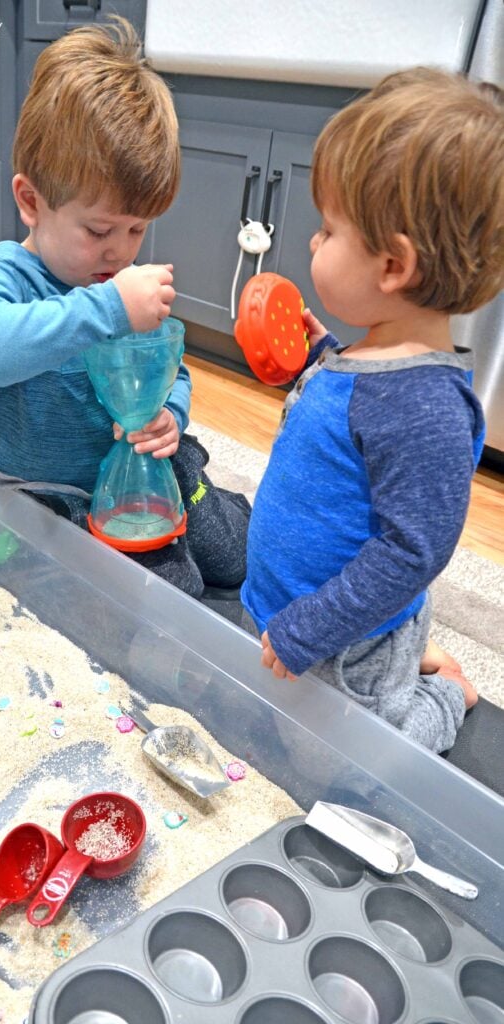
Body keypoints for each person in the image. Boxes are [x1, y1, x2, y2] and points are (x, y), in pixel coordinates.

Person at [241, 67, 504, 752]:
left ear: (392, 267)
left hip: (343, 644)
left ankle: (443, 694)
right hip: (296, 614)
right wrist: (315, 351)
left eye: (328, 231)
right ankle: (410, 654)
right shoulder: (368, 354)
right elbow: (352, 408)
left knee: (350, 764)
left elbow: (412, 551)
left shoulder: (428, 411)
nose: (311, 243)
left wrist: (311, 629)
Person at [0, 18, 249, 600]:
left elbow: (172, 372)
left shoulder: (122, 281)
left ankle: (198, 481)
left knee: (228, 559)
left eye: (138, 229)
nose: (121, 250)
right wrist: (105, 308)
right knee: (149, 591)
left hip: (134, 483)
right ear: (31, 201)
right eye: (100, 228)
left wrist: (170, 418)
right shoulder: (10, 275)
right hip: (35, 491)